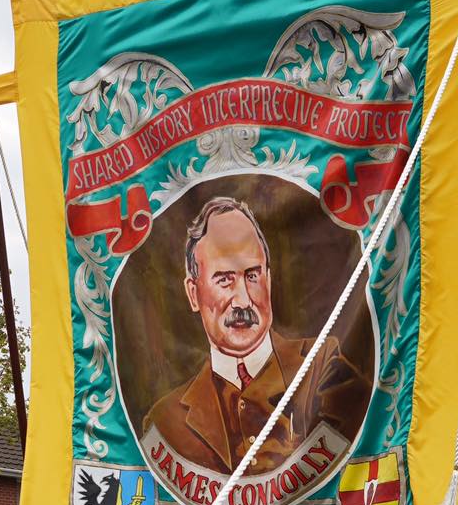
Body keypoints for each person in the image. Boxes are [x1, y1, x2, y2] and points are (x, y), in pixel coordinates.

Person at [142, 196, 370, 479]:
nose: (243, 301)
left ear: (268, 281)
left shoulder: (322, 364)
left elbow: (362, 452)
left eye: (252, 276)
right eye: (224, 279)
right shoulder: (165, 421)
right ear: (193, 293)